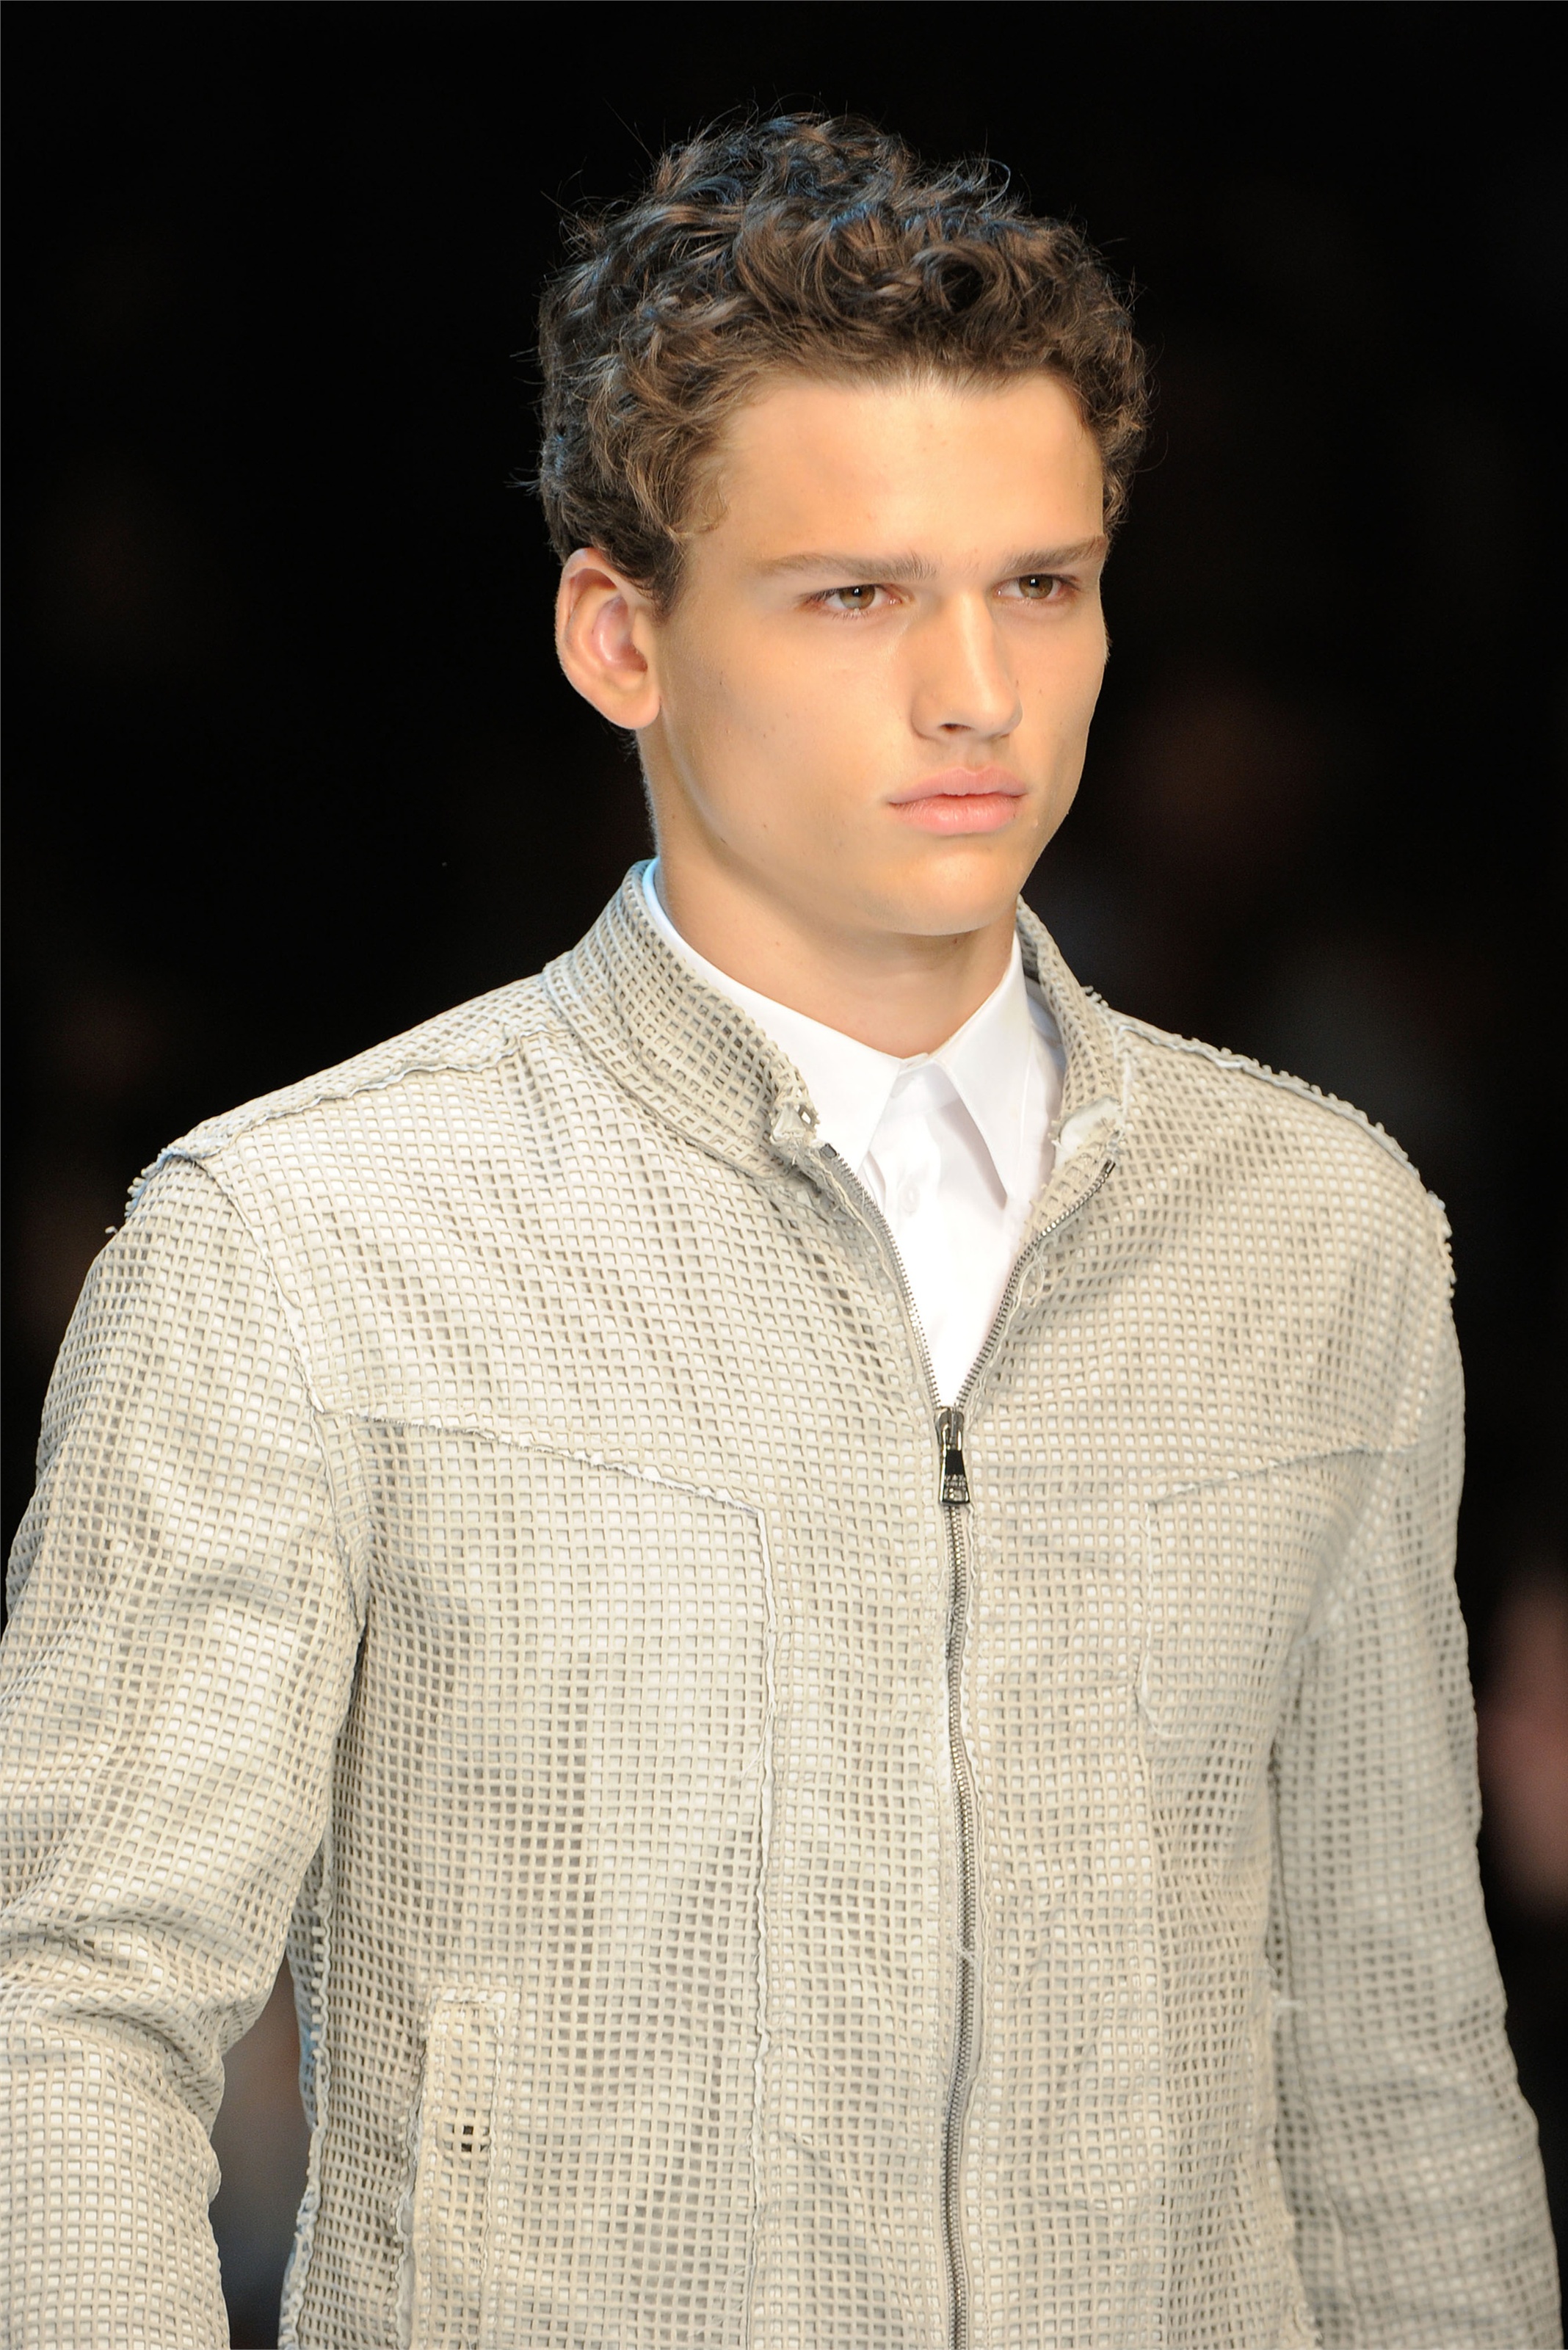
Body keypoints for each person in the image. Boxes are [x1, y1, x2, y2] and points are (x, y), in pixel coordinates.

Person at [1, 112, 1557, 2350]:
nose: (976, 687)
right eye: (856, 594)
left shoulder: (1319, 1236)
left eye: (1042, 583)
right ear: (617, 635)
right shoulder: (304, 1247)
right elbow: (71, 2014)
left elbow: (1396, 2066)